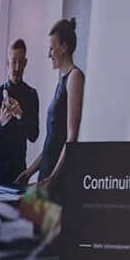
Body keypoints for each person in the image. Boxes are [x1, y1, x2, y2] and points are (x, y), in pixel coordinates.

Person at [19, 17, 86, 200]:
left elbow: (71, 138)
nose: (49, 54)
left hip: (57, 183)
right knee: (26, 218)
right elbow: (52, 142)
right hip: (46, 178)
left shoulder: (75, 77)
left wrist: (53, 179)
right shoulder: (61, 82)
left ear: (64, 47)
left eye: (51, 48)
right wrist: (29, 172)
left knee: (34, 218)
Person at [0, 38, 40, 190]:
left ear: (26, 63)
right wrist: (0, 123)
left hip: (19, 172)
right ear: (7, 62)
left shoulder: (31, 95)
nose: (17, 67)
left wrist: (22, 117)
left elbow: (34, 135)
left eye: (21, 62)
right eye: (14, 61)